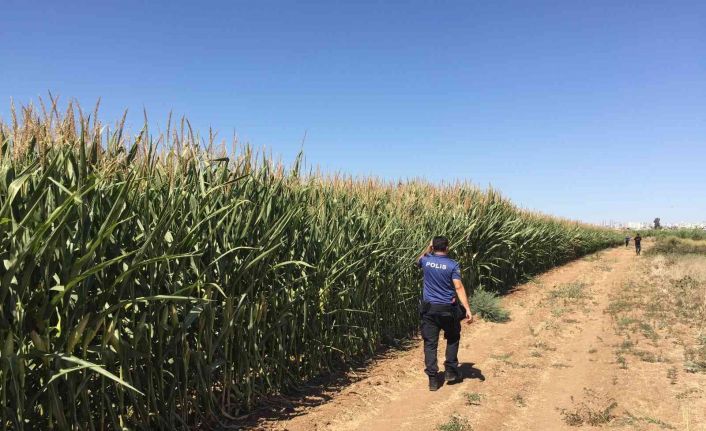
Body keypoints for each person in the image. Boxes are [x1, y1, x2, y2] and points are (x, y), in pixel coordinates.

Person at [416, 236, 474, 391]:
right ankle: (450, 371)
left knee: (430, 344)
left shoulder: (426, 261)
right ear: (447, 248)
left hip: (429, 310)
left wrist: (428, 249)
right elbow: (459, 287)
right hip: (448, 310)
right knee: (453, 338)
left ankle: (433, 380)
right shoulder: (452, 265)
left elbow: (417, 261)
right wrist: (467, 308)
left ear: (433, 247)